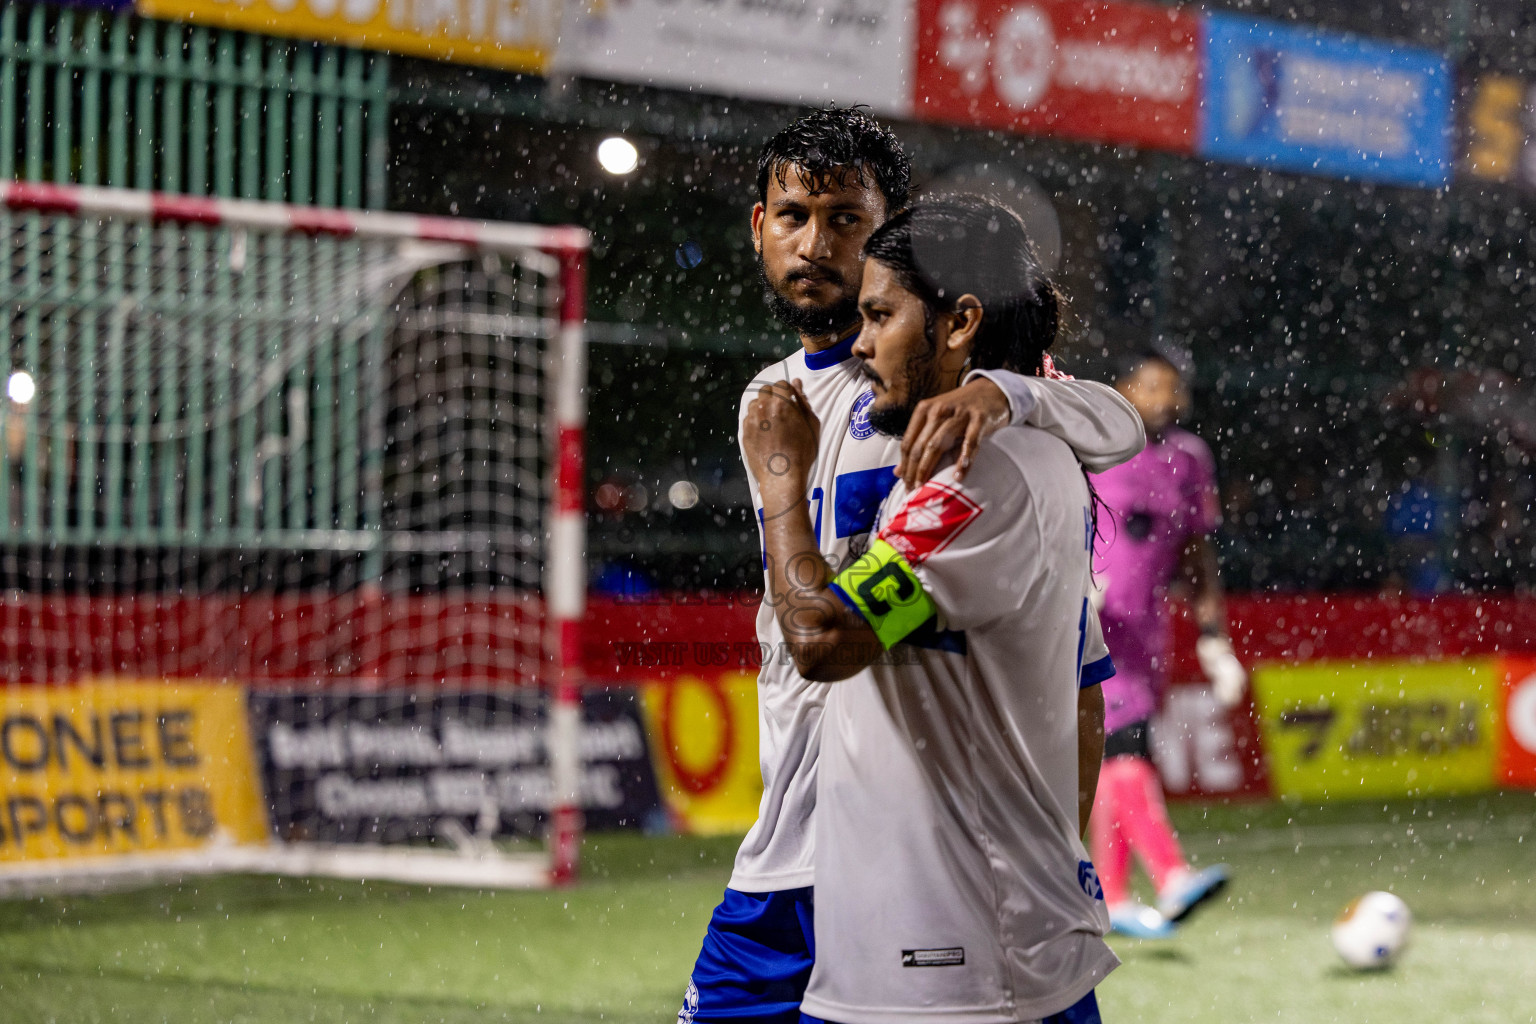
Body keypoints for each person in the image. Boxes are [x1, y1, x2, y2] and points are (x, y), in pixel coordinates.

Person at [678, 111, 1144, 1024]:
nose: (814, 243)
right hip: (798, 836)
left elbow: (1117, 425)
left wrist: (1004, 389)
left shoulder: (940, 384)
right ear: (758, 226)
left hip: (925, 845)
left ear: (891, 227)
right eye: (792, 214)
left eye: (845, 218)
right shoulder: (770, 398)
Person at [1087, 349, 1246, 939]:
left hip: (1147, 629)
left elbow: (1198, 553)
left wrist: (1213, 638)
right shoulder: (1092, 446)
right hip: (1094, 625)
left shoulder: (1188, 458)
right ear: (1122, 389)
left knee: (1117, 756)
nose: (1161, 399)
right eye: (1148, 386)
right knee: (1126, 750)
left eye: (1170, 389)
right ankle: (1172, 874)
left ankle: (1112, 893)